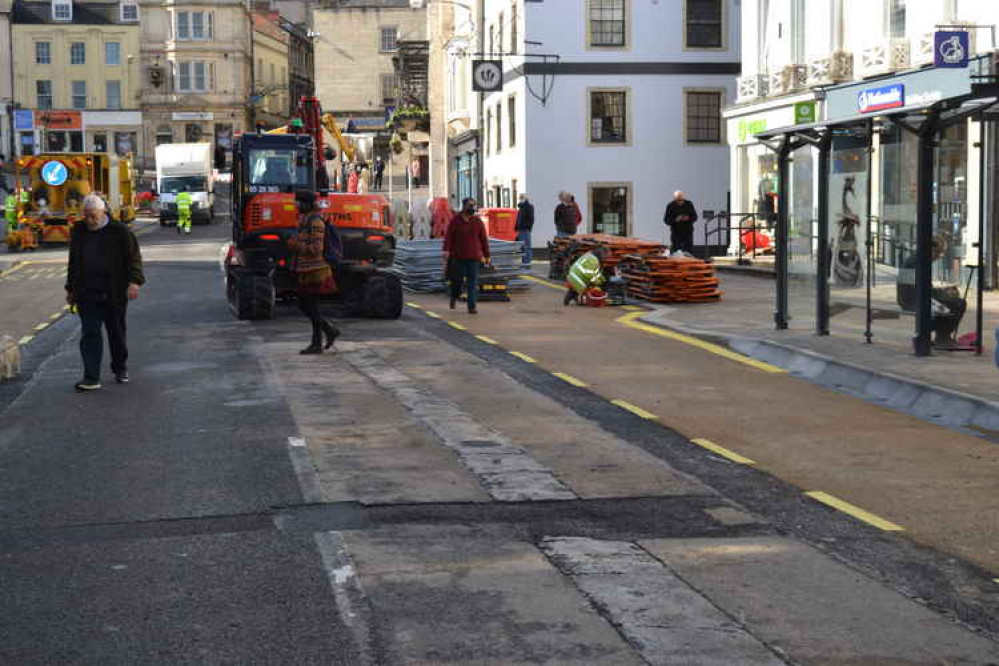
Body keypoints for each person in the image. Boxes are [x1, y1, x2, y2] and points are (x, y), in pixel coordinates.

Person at [65, 194, 145, 391]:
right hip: (87, 292)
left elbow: (134, 258)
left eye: (93, 216)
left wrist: (134, 282)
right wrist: (70, 288)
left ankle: (120, 367)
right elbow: (74, 261)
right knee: (90, 334)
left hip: (114, 291)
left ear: (103, 212)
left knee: (116, 333)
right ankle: (91, 378)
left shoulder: (119, 231)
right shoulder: (79, 231)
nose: (89, 220)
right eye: (86, 216)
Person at [289, 190, 340, 354]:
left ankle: (323, 337)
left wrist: (295, 245)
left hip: (316, 270)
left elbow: (316, 248)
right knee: (308, 305)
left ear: (305, 203)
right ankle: (323, 337)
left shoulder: (315, 221)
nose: (295, 205)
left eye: (297, 202)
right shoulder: (306, 219)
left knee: (308, 305)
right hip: (307, 269)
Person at [897, 234, 967, 350]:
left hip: (911, 298)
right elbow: (923, 290)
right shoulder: (919, 262)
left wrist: (943, 292)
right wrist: (945, 294)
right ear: (932, 249)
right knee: (958, 304)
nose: (938, 257)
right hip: (914, 300)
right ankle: (942, 337)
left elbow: (922, 287)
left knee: (950, 304)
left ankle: (940, 335)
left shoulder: (916, 259)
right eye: (938, 253)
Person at [444, 197, 490, 314]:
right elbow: (448, 237)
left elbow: (483, 239)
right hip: (458, 257)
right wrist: (446, 250)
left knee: (472, 283)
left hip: (474, 258)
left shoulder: (477, 222)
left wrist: (487, 255)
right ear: (464, 207)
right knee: (457, 282)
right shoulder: (455, 221)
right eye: (470, 206)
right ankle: (454, 296)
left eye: (473, 206)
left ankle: (472, 307)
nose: (472, 208)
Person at [663, 190, 698, 254]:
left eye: (681, 200)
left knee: (688, 252)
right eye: (678, 200)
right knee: (676, 252)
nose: (680, 202)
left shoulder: (689, 204)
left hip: (687, 232)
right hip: (676, 233)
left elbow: (695, 217)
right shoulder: (670, 206)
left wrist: (688, 218)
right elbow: (666, 220)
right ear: (674, 199)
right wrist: (675, 220)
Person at [515, 193, 534, 268]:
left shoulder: (529, 207)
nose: (520, 199)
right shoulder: (521, 207)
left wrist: (528, 227)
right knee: (523, 247)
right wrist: (516, 227)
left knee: (526, 246)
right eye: (520, 197)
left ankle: (527, 263)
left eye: (522, 197)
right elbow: (518, 218)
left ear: (525, 198)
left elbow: (531, 218)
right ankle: (524, 262)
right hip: (521, 229)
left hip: (525, 229)